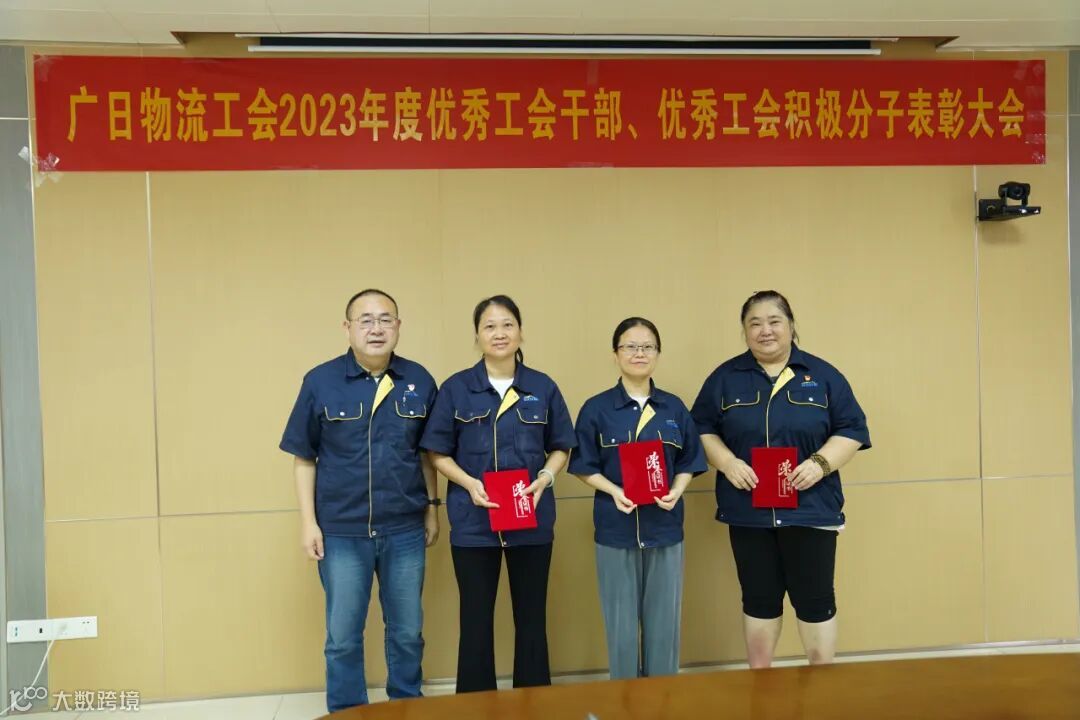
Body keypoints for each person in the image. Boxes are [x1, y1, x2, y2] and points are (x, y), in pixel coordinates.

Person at [690, 290, 871, 669]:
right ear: (744, 331)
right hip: (748, 510)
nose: (765, 330)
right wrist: (727, 462)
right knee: (759, 600)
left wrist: (820, 463)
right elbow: (701, 428)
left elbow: (852, 429)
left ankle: (821, 680)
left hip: (811, 508)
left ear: (791, 325)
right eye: (754, 323)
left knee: (815, 600)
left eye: (774, 321)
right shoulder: (725, 378)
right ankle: (761, 681)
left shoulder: (823, 376)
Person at [279, 289, 440, 712]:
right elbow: (303, 458)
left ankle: (406, 705)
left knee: (407, 632)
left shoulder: (419, 380)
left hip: (404, 529)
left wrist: (432, 510)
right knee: (343, 637)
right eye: (365, 320)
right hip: (342, 532)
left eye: (385, 319)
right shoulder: (321, 381)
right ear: (347, 328)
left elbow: (428, 455)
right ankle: (348, 711)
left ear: (398, 327)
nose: (376, 328)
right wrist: (308, 523)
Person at [420, 295, 576, 693]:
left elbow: (562, 445)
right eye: (489, 326)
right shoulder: (456, 389)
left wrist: (546, 476)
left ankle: (533, 703)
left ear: (520, 331)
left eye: (507, 324)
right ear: (477, 335)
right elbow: (436, 451)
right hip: (473, 522)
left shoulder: (542, 387)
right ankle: (476, 707)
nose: (499, 333)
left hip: (531, 518)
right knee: (475, 621)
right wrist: (469, 483)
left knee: (532, 619)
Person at [569, 317, 706, 679]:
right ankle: (624, 698)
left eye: (647, 347)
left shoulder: (674, 409)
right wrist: (614, 490)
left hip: (665, 529)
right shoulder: (596, 409)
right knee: (621, 629)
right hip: (616, 530)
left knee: (664, 627)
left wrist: (677, 490)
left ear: (658, 354)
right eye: (630, 346)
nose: (639, 353)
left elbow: (690, 461)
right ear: (615, 354)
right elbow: (582, 465)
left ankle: (662, 697)